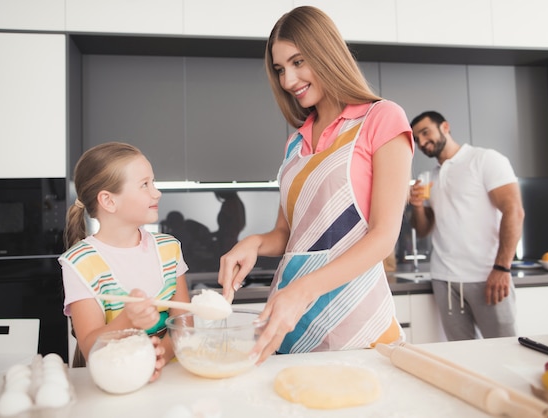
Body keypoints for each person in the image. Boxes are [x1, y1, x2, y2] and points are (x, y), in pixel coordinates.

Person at [217, 6, 414, 363]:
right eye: (279, 69)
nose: (288, 81)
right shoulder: (295, 143)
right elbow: (288, 234)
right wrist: (254, 243)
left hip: (357, 318)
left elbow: (384, 237)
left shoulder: (381, 118)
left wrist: (302, 291)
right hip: (292, 318)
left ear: (326, 53)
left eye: (298, 62)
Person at [59, 142, 190, 378]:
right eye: (144, 185)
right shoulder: (80, 264)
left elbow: (183, 324)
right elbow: (90, 349)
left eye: (153, 182)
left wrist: (159, 354)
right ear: (109, 201)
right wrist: (128, 319)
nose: (156, 192)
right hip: (118, 383)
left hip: (174, 379)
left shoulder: (169, 248)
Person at [408, 111, 525, 341]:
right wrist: (418, 206)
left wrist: (502, 268)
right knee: (461, 356)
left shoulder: (485, 160)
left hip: (488, 277)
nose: (421, 142)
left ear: (445, 127)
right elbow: (423, 230)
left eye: (425, 133)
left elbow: (514, 211)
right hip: (445, 281)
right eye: (416, 139)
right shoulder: (427, 177)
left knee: (505, 351)